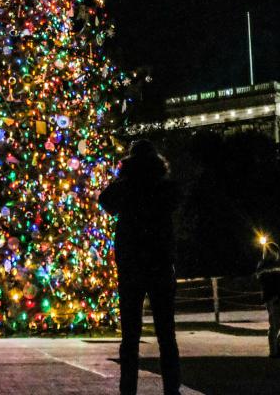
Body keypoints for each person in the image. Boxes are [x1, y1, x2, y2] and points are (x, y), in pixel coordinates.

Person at [99, 139, 181, 395]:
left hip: (132, 266)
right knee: (166, 335)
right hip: (160, 265)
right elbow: (176, 201)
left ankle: (128, 390)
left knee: (130, 338)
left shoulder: (126, 188)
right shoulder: (166, 187)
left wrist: (122, 176)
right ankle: (171, 388)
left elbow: (105, 200)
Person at [256, 241, 280, 358]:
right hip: (272, 299)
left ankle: (276, 345)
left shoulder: (279, 264)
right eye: (269, 251)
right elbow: (266, 283)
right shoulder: (263, 265)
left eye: (274, 251)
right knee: (275, 325)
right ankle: (273, 352)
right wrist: (271, 298)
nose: (272, 253)